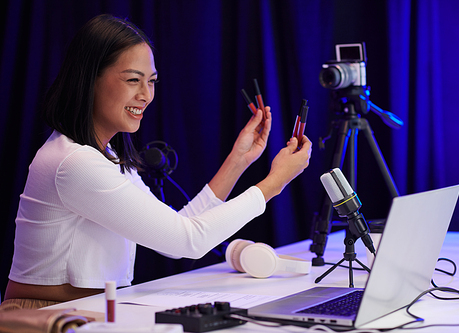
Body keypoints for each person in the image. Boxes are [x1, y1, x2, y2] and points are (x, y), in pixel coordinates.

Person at [2, 14, 312, 310]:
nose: (146, 95)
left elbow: (178, 230)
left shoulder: (105, 156)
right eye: (133, 80)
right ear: (90, 78)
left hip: (91, 310)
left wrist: (238, 160)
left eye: (151, 82)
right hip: (46, 315)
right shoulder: (74, 162)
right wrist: (274, 183)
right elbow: (187, 241)